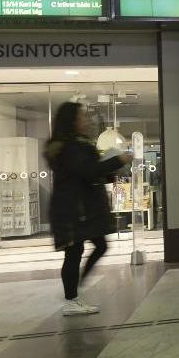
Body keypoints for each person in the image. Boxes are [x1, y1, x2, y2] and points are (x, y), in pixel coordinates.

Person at [46, 102, 131, 316]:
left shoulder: (79, 144)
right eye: (83, 116)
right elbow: (88, 171)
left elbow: (92, 173)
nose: (87, 120)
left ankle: (75, 289)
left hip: (82, 208)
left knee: (99, 245)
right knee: (74, 252)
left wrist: (110, 171)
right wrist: (117, 160)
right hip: (73, 209)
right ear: (72, 121)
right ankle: (71, 299)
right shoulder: (69, 148)